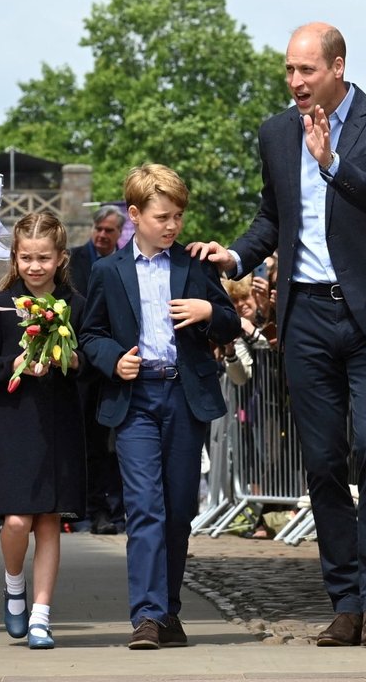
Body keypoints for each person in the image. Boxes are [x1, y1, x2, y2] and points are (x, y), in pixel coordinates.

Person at [192, 23, 366, 649]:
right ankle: (346, 600)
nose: (296, 83)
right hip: (305, 317)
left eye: (307, 71)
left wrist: (332, 162)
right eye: (289, 71)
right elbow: (272, 219)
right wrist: (234, 257)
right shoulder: (276, 133)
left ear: (338, 66)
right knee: (324, 461)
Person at [79, 164, 240, 650]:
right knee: (145, 507)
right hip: (136, 400)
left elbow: (231, 322)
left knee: (178, 510)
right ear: (136, 215)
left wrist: (210, 312)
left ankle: (168, 610)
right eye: (163, 216)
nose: (173, 226)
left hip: (184, 397)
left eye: (179, 216)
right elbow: (91, 335)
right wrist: (114, 361)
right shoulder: (108, 271)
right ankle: (146, 615)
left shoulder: (194, 266)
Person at [0, 212, 88, 650]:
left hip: (59, 425)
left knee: (51, 522)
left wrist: (73, 360)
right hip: (15, 425)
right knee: (17, 521)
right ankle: (13, 584)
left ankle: (41, 616)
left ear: (61, 258)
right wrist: (14, 365)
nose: (35, 266)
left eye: (44, 258)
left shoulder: (75, 303)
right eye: (26, 258)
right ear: (14, 259)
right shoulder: (1, 306)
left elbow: (90, 357)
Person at [69, 205, 127, 535]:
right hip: (84, 368)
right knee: (90, 444)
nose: (103, 235)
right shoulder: (73, 260)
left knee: (116, 444)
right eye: (99, 229)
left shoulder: (124, 263)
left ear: (119, 233)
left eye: (110, 231)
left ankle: (117, 510)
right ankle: (96, 510)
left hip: (116, 364)